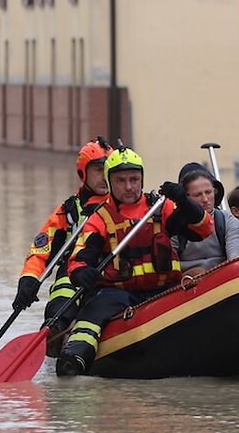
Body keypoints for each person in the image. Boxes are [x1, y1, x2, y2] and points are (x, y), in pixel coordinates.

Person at [56, 147, 213, 377]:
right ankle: (75, 357)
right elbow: (78, 260)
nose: (129, 187)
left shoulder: (161, 208)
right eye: (121, 181)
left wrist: (184, 201)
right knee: (94, 312)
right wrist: (82, 274)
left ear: (142, 179)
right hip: (119, 293)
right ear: (110, 181)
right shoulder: (99, 219)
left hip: (162, 289)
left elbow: (203, 229)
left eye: (134, 179)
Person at [12, 138, 113, 357]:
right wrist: (28, 281)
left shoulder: (122, 204)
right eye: (97, 170)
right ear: (82, 173)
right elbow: (41, 249)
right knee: (64, 289)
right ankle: (53, 331)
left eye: (107, 169)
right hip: (74, 271)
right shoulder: (68, 211)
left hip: (110, 271)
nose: (104, 176)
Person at [173, 162, 239, 275]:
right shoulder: (174, 225)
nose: (205, 199)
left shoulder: (228, 221)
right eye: (198, 194)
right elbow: (169, 268)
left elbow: (235, 260)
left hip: (222, 278)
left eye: (209, 192)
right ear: (185, 198)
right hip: (185, 283)